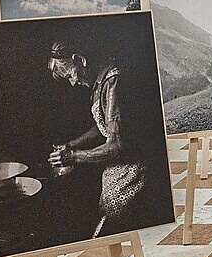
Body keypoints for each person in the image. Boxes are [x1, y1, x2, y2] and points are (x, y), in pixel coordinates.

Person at [46, 38, 149, 236]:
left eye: (70, 76)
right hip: (116, 168)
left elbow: (117, 145)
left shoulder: (113, 83)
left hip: (133, 170)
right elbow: (102, 125)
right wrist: (71, 144)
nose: (73, 82)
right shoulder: (100, 82)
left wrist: (73, 156)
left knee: (111, 225)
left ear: (79, 60)